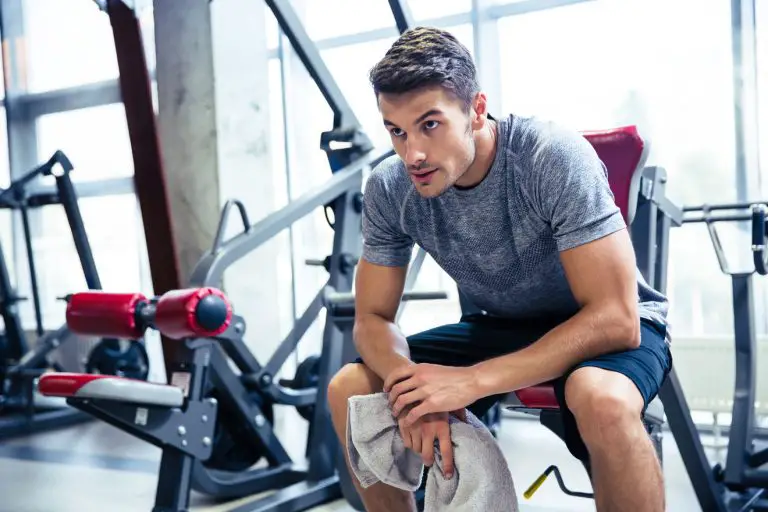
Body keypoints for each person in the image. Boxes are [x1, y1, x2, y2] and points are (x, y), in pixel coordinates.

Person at [327, 26, 671, 512]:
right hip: (498, 327)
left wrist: (469, 383)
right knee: (351, 388)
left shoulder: (550, 157)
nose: (413, 154)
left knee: (602, 399)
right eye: (397, 131)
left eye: (430, 125)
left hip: (602, 327)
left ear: (477, 109)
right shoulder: (389, 187)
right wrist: (411, 389)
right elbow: (372, 319)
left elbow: (617, 317)